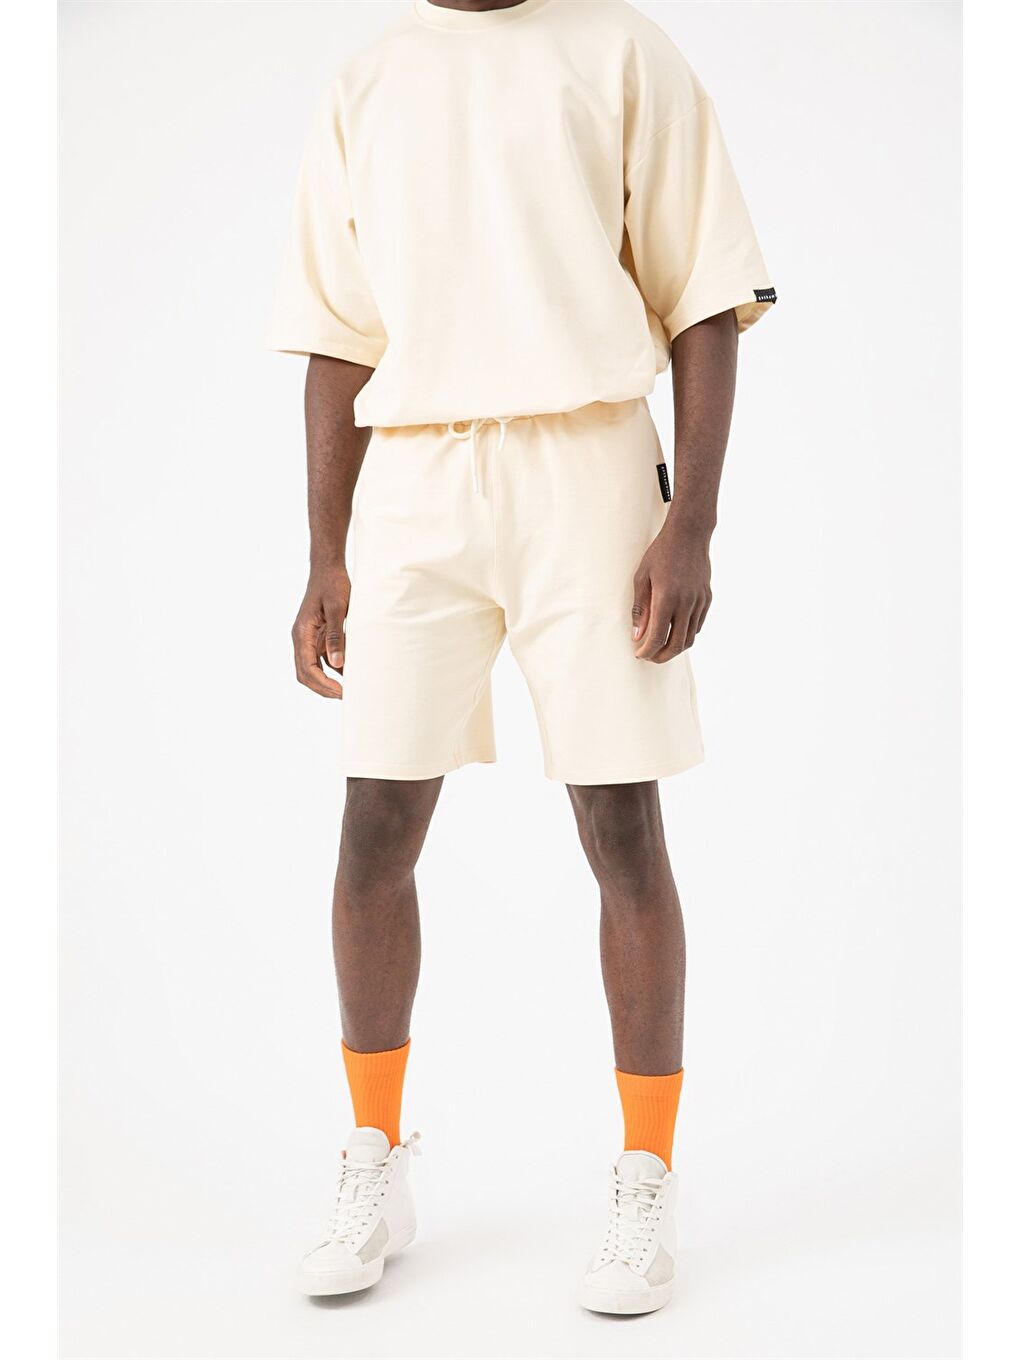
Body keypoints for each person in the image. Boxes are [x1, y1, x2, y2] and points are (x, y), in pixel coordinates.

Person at [268, 0, 773, 1316]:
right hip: (418, 479)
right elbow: (336, 336)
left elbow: (705, 300)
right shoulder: (370, 80)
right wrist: (325, 552)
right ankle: (375, 1152)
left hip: (588, 466)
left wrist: (691, 521)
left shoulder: (621, 51)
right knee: (375, 821)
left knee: (620, 824)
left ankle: (647, 1175)